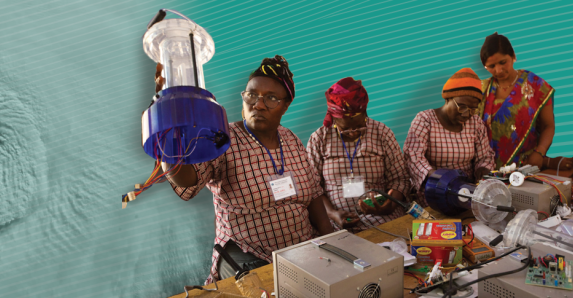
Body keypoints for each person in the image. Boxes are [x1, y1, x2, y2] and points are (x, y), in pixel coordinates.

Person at [157, 55, 334, 284]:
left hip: (300, 249)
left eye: (270, 98)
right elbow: (185, 180)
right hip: (247, 255)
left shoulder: (290, 139)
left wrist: (330, 237)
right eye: (251, 95)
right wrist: (167, 129)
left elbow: (313, 194)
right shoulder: (221, 140)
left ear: (285, 106)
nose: (258, 105)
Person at [306, 77, 410, 233]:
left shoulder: (382, 133)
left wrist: (390, 203)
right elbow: (313, 189)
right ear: (334, 118)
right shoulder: (319, 139)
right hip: (335, 222)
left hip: (381, 219)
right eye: (346, 129)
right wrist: (334, 214)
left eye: (360, 126)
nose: (354, 132)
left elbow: (399, 179)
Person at [477, 32, 573, 172]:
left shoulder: (535, 85)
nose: (498, 70)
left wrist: (539, 153)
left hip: (526, 167)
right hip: (486, 170)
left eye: (503, 62)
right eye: (491, 66)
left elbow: (548, 125)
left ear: (513, 56)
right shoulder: (481, 89)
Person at [403, 68, 495, 203]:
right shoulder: (425, 120)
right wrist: (438, 178)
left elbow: (485, 156)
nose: (466, 114)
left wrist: (483, 168)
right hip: (433, 191)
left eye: (472, 109)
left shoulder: (476, 123)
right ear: (448, 98)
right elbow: (413, 156)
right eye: (462, 107)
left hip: (467, 192)